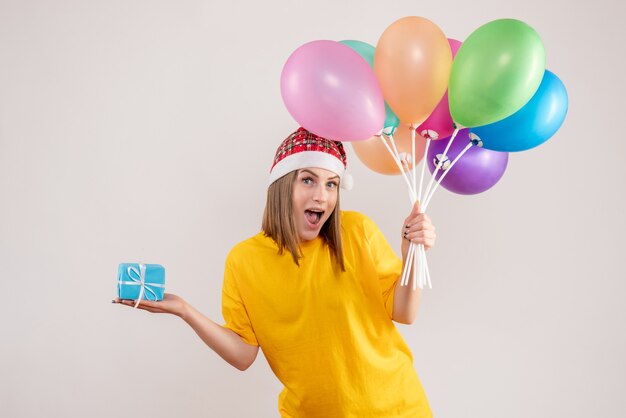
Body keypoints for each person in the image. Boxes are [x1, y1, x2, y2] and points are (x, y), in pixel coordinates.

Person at [113, 127, 437, 417]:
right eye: (308, 179)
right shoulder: (244, 261)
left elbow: (404, 312)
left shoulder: (357, 231)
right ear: (282, 186)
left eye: (332, 184)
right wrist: (184, 310)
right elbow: (243, 354)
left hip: (399, 408)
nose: (321, 196)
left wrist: (413, 256)